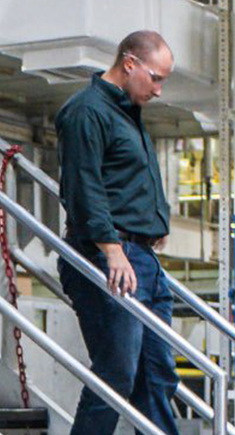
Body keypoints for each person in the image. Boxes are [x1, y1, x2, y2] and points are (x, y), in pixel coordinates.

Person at [55, 30, 179, 435]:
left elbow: (121, 181)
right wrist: (112, 249)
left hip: (142, 259)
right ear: (129, 64)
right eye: (155, 78)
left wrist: (152, 223)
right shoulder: (86, 111)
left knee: (157, 376)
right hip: (107, 256)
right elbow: (83, 185)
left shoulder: (127, 113)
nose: (158, 90)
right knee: (117, 373)